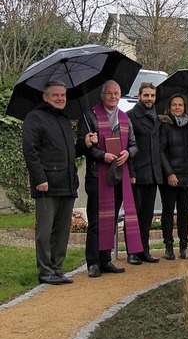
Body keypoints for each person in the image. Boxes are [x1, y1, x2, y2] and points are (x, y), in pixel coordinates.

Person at [77, 80, 143, 277]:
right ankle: (93, 262)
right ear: (102, 95)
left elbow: (134, 144)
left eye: (117, 93)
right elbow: (80, 147)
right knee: (97, 220)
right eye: (109, 93)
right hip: (98, 175)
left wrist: (128, 153)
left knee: (112, 219)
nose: (113, 97)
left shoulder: (124, 118)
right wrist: (97, 151)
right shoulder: (90, 117)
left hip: (118, 175)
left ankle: (105, 259)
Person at [21, 81, 79, 285]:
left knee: (62, 231)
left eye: (63, 95)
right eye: (56, 95)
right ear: (45, 97)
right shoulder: (34, 118)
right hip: (47, 184)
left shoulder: (63, 119)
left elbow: (68, 152)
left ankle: (57, 269)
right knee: (45, 231)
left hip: (67, 183)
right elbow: (30, 150)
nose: (61, 98)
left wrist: (85, 143)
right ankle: (45, 271)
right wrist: (40, 178)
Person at [127, 81, 162, 264]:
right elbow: (127, 146)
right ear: (139, 96)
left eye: (152, 96)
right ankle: (132, 251)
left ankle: (144, 250)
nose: (149, 99)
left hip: (153, 173)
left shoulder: (158, 117)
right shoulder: (130, 116)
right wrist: (131, 171)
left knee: (147, 215)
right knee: (134, 215)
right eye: (146, 95)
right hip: (137, 173)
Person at [158, 93, 188, 260]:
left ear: (184, 107)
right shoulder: (164, 125)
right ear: (169, 107)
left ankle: (184, 245)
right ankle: (168, 244)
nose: (177, 108)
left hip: (187, 174)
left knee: (183, 212)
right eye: (174, 105)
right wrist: (169, 173)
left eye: (180, 105)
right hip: (170, 176)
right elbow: (161, 151)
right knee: (168, 212)